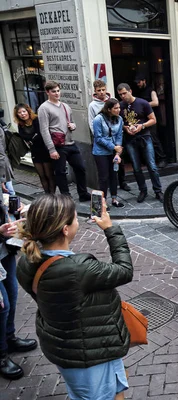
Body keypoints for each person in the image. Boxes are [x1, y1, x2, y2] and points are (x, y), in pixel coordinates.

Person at [17, 194, 132, 399]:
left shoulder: (26, 262)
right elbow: (124, 270)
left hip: (64, 346)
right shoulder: (78, 269)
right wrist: (109, 228)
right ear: (65, 229)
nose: (77, 221)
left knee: (105, 391)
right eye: (75, 218)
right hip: (91, 350)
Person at [0, 202, 37, 380]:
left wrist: (13, 208)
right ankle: (1, 354)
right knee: (2, 306)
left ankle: (9, 338)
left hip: (3, 251)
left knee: (12, 295)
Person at [37, 81, 91, 202]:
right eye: (53, 91)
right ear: (47, 92)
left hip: (70, 143)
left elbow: (71, 122)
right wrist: (51, 149)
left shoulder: (65, 106)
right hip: (57, 145)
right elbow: (44, 130)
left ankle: (83, 193)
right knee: (61, 172)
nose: (56, 93)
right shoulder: (44, 108)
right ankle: (66, 197)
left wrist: (73, 126)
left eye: (58, 90)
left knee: (80, 167)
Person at [117, 83, 164, 203]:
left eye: (124, 93)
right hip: (130, 140)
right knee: (136, 168)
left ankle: (158, 190)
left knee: (152, 166)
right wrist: (125, 128)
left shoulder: (142, 103)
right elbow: (118, 123)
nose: (123, 96)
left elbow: (153, 120)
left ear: (130, 91)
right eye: (120, 94)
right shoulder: (120, 106)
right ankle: (143, 190)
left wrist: (142, 126)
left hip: (144, 137)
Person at [89, 80, 130, 192]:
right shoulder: (94, 107)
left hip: (114, 145)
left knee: (116, 170)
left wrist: (117, 149)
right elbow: (93, 126)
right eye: (99, 90)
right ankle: (102, 202)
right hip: (102, 143)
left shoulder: (116, 109)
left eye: (103, 89)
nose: (102, 92)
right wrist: (107, 143)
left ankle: (118, 191)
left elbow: (119, 133)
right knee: (104, 176)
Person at [13, 104, 54, 194]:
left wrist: (30, 139)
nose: (22, 114)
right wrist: (31, 138)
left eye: (24, 111)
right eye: (19, 113)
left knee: (49, 174)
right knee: (41, 175)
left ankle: (53, 195)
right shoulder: (21, 125)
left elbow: (40, 133)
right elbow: (23, 136)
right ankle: (47, 194)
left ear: (28, 111)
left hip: (44, 149)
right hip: (34, 151)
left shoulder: (36, 120)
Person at [92, 98, 125, 209]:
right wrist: (113, 147)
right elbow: (98, 138)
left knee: (114, 175)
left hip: (114, 151)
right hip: (101, 152)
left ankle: (114, 199)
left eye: (119, 107)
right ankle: (103, 202)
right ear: (109, 109)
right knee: (104, 177)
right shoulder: (98, 119)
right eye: (116, 108)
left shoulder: (119, 119)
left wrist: (117, 153)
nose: (118, 110)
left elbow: (119, 136)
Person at [134, 74, 167, 168]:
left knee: (154, 139)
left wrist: (143, 104)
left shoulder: (151, 90)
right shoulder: (139, 92)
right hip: (143, 119)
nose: (138, 84)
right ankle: (148, 159)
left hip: (152, 119)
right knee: (144, 140)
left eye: (139, 82)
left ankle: (162, 159)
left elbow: (156, 102)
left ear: (144, 80)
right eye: (137, 83)